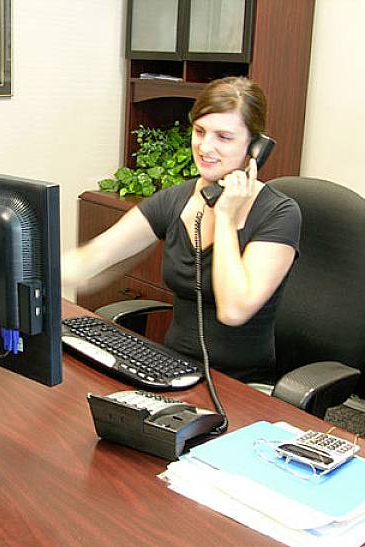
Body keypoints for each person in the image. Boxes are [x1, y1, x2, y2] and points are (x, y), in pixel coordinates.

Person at [62, 76, 301, 384]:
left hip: (243, 388)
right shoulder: (177, 200)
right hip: (170, 373)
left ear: (255, 147)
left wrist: (226, 218)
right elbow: (92, 258)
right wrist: (16, 265)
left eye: (224, 137)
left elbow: (234, 310)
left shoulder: (279, 214)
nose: (205, 146)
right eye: (200, 131)